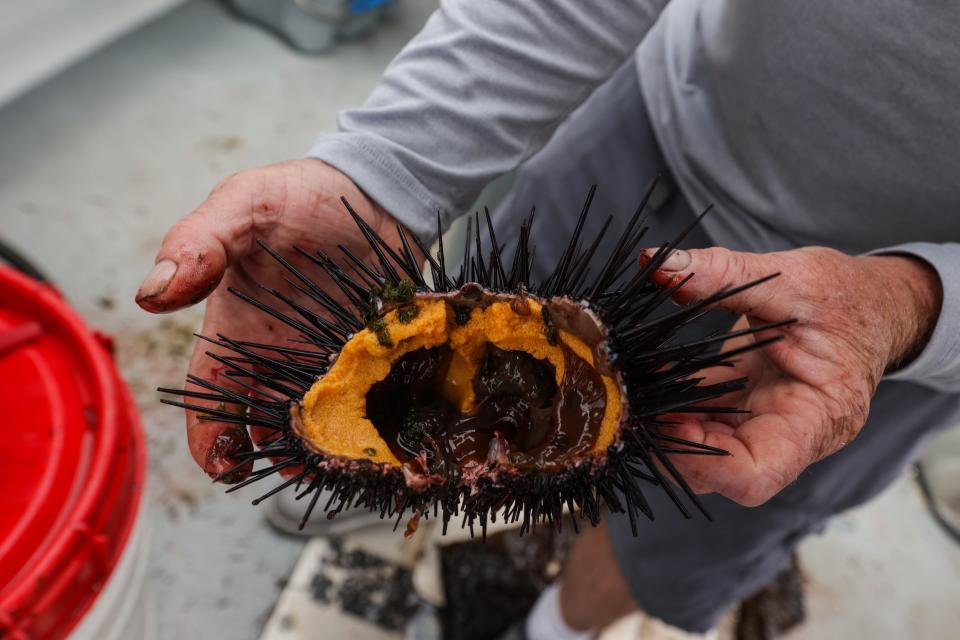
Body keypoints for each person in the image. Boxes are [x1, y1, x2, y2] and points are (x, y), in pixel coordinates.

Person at [136, 1, 960, 638]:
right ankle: (392, 484)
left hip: (871, 319)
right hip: (664, 119)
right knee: (469, 315)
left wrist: (918, 304)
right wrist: (386, 167)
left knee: (692, 518)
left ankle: (553, 627)